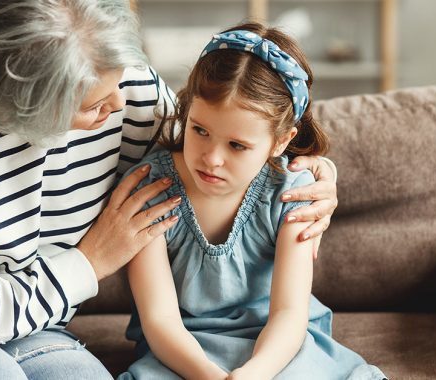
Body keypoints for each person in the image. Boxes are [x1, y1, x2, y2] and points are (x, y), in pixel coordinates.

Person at [0, 2, 338, 379]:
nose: (121, 106)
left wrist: (315, 174)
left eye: (122, 84)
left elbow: (223, 145)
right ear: (18, 113)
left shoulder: (116, 79)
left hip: (26, 322)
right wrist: (88, 261)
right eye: (95, 106)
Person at [118, 23, 385, 380]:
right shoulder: (150, 188)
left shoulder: (293, 193)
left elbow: (289, 314)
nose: (211, 158)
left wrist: (253, 374)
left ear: (279, 142)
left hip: (278, 344)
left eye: (237, 145)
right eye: (200, 130)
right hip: (180, 349)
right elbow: (159, 320)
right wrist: (209, 376)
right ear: (187, 110)